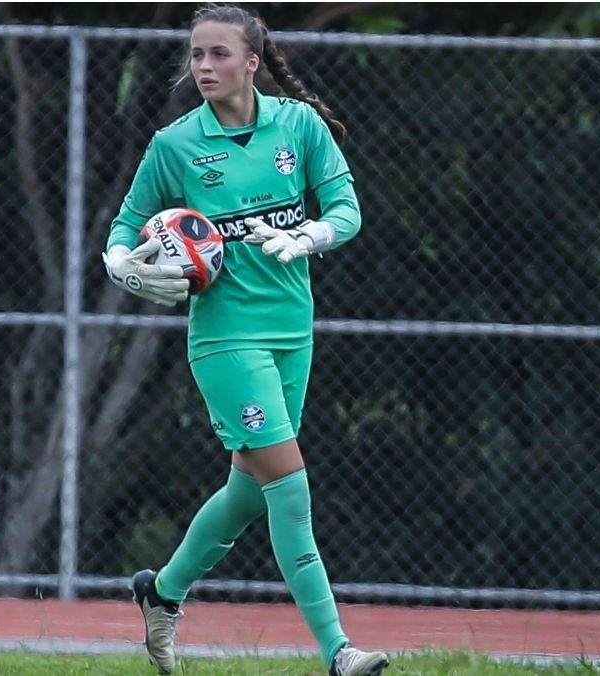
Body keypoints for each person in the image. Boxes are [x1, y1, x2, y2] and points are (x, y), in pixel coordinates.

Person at [102, 5, 389, 676]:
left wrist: (307, 235)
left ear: (252, 62)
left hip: (293, 332)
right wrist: (123, 266)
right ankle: (339, 651)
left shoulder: (299, 124)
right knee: (289, 490)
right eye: (196, 54)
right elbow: (124, 229)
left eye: (219, 54)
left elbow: (346, 210)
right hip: (225, 340)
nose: (204, 66)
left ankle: (162, 592)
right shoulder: (174, 145)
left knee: (246, 492)